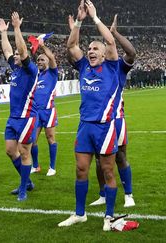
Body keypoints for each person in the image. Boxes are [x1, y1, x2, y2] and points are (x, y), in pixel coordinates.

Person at [58, 0, 138, 231]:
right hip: (85, 126)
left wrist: (95, 18)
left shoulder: (114, 68)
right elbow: (72, 46)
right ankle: (80, 214)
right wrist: (79, 22)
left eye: (95, 49)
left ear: (105, 54)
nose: (91, 51)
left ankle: (109, 217)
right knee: (81, 169)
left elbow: (112, 42)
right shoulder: (84, 66)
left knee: (108, 171)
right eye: (90, 49)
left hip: (105, 127)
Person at [88, 14, 136, 207]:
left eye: (97, 48)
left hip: (116, 119)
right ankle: (102, 194)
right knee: (99, 160)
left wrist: (115, 33)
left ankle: (128, 195)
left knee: (120, 156)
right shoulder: (92, 69)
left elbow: (131, 53)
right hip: (96, 121)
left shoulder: (118, 68)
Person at [0, 12, 38, 201]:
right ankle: (27, 181)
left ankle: (23, 189)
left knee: (24, 152)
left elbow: (21, 51)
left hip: (27, 118)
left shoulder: (31, 71)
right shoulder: (15, 69)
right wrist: (4, 32)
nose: (14, 56)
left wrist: (16, 28)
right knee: (9, 151)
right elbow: (7, 50)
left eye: (17, 55)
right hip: (13, 118)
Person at [30, 39, 59, 176]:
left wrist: (42, 46)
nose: (39, 62)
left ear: (47, 61)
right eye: (38, 60)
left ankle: (52, 167)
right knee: (32, 140)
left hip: (48, 111)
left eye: (42, 60)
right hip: (35, 112)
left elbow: (52, 57)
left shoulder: (52, 73)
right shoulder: (36, 76)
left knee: (50, 138)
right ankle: (35, 166)